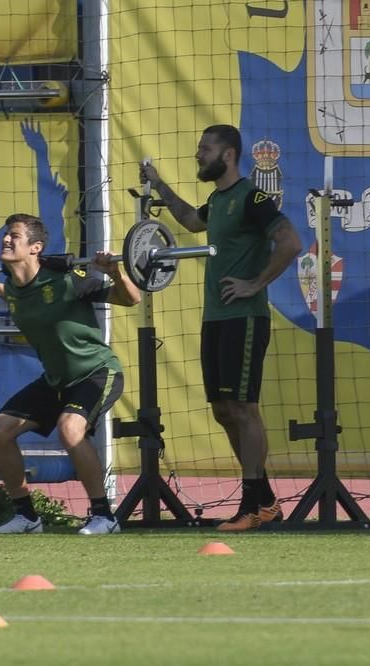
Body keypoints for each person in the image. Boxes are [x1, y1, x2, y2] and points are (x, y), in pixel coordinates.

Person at [140, 124, 302, 532]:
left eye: (204, 148)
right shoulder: (218, 199)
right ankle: (263, 501)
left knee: (244, 409)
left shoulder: (253, 197)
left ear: (228, 154)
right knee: (223, 409)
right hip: (215, 318)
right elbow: (192, 221)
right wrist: (158, 185)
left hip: (245, 319)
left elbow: (291, 242)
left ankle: (250, 504)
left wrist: (255, 284)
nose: (199, 155)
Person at [0, 213, 141, 535]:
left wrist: (116, 272)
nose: (5, 239)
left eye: (14, 235)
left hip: (97, 372)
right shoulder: (16, 286)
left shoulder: (68, 279)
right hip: (56, 379)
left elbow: (131, 299)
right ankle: (27, 518)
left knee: (70, 428)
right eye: (5, 234)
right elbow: (20, 300)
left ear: (36, 247)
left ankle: (105, 516)